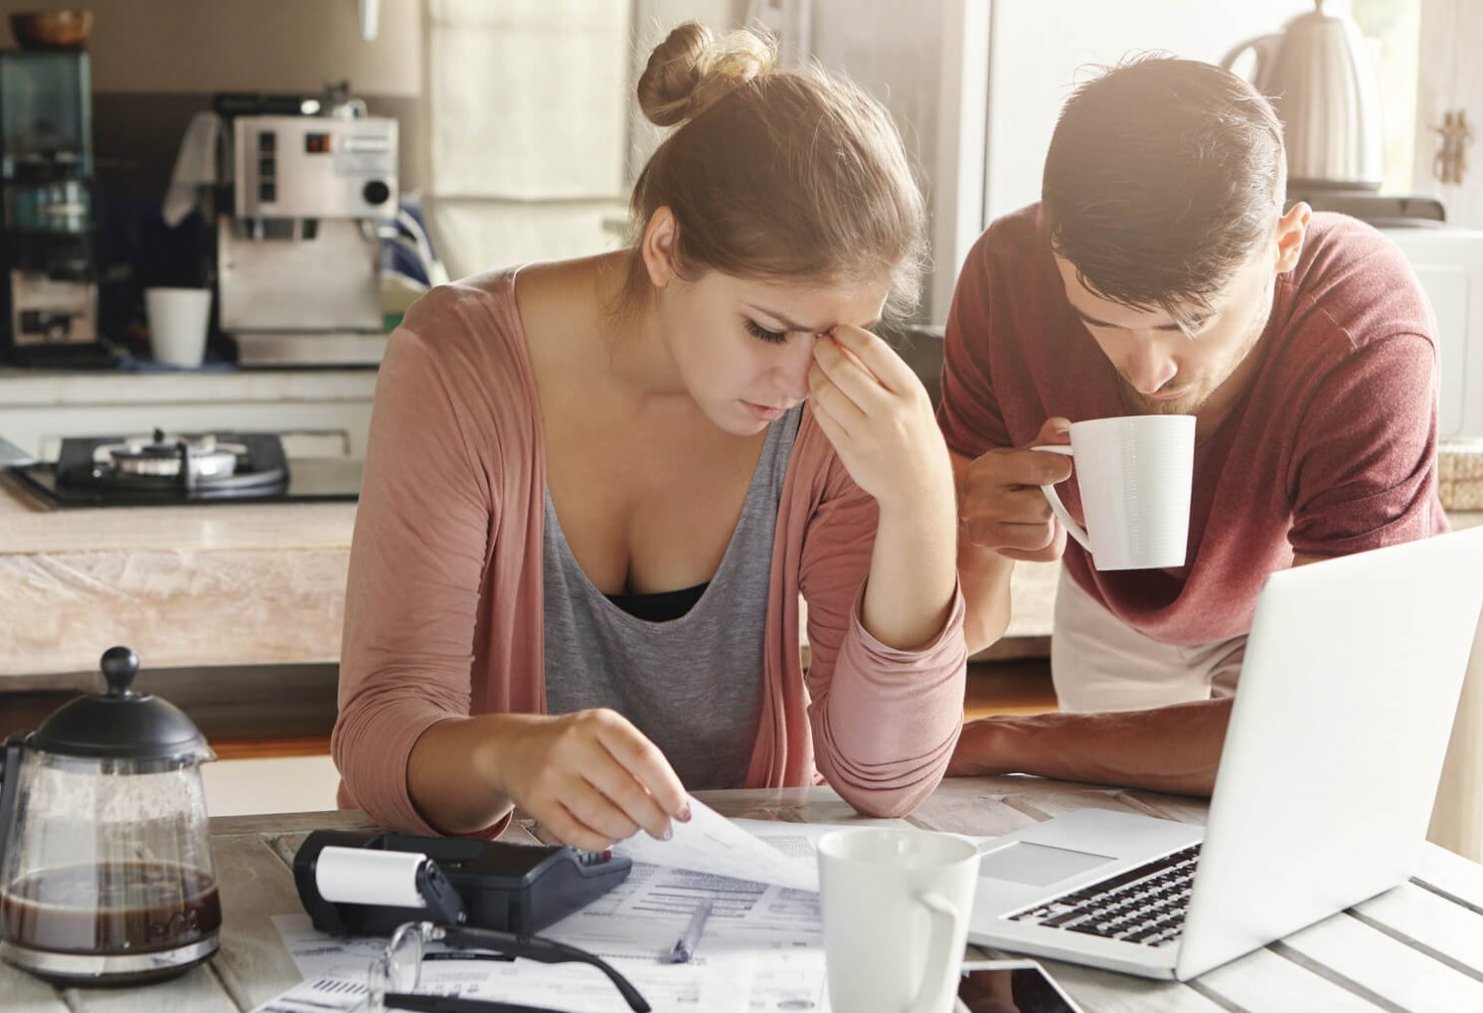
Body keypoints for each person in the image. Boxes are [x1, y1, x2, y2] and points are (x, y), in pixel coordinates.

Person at [332, 23, 967, 848]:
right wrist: (508, 754)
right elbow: (379, 735)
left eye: (841, 337)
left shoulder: (835, 414)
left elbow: (885, 783)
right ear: (665, 247)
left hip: (741, 930)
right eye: (768, 331)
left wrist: (921, 501)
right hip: (490, 920)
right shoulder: (459, 361)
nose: (803, 382)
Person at [940, 57, 1445, 796]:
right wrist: (975, 535)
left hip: (1295, 604)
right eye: (1101, 324)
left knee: (1292, 821)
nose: (1146, 373)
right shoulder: (1006, 278)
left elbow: (1321, 722)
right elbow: (971, 626)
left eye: (1188, 322)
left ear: (1284, 244)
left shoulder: (1365, 333)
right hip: (1111, 603)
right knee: (1116, 857)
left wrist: (1012, 738)